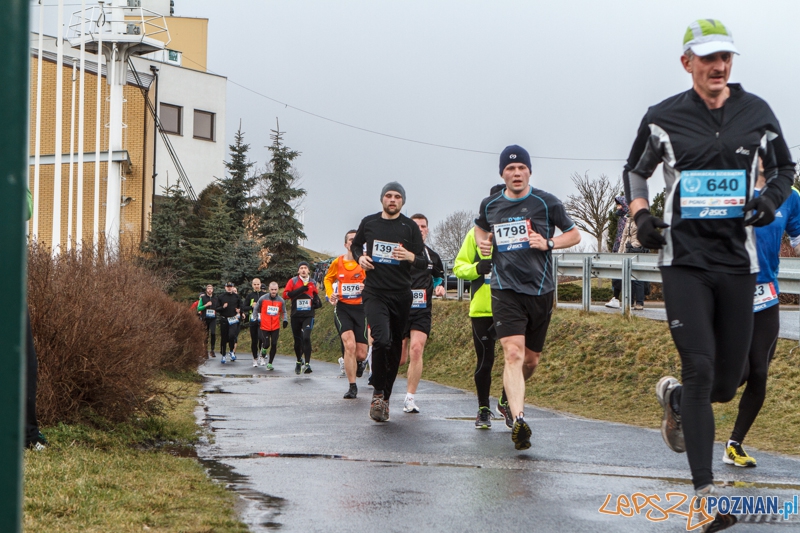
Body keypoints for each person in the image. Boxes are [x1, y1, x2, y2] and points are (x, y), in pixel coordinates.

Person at [623, 20, 795, 498]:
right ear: (687, 63)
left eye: (726, 57)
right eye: (708, 58)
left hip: (737, 264)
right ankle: (704, 492)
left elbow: (784, 167)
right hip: (684, 261)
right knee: (699, 366)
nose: (719, 65)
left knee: (726, 382)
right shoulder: (662, 117)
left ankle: (674, 398)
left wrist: (770, 200)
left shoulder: (756, 112)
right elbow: (635, 171)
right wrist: (640, 217)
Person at [475, 145, 581, 449]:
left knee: (531, 361)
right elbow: (481, 230)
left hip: (540, 290)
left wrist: (547, 242)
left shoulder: (546, 203)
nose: (516, 173)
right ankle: (519, 420)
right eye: (510, 169)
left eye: (521, 167)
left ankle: (508, 399)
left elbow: (574, 235)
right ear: (502, 174)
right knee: (512, 353)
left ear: (529, 171)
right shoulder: (491, 204)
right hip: (504, 289)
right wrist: (485, 245)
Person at [721, 176, 800, 468]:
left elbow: (798, 239)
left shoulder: (790, 195)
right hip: (731, 292)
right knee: (735, 374)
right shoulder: (730, 185)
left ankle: (734, 444)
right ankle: (681, 396)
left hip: (766, 294)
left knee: (759, 374)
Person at [351, 182, 427, 422]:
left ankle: (385, 398)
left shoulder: (409, 227)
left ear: (402, 201)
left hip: (401, 295)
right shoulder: (369, 222)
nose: (392, 200)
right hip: (375, 292)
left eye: (397, 197)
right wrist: (360, 257)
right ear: (382, 199)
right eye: (388, 196)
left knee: (395, 348)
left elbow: (424, 261)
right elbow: (355, 245)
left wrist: (410, 256)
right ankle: (378, 391)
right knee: (382, 340)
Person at [453, 184, 506, 429]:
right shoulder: (474, 234)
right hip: (482, 309)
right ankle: (483, 409)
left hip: (511, 307)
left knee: (516, 359)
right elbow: (458, 267)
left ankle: (506, 402)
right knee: (485, 361)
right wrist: (477, 269)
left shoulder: (516, 232)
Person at [399, 214, 445, 413]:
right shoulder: (399, 253)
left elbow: (438, 278)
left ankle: (410, 398)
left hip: (422, 310)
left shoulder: (432, 256)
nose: (420, 229)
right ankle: (381, 391)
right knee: (399, 359)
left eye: (423, 226)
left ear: (427, 230)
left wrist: (440, 287)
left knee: (416, 349)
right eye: (415, 226)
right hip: (400, 310)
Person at [324, 230, 369, 398]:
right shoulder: (338, 262)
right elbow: (328, 279)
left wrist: (367, 287)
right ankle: (352, 386)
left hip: (361, 309)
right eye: (351, 239)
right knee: (349, 344)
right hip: (343, 308)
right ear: (346, 244)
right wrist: (331, 294)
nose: (354, 242)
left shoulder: (365, 262)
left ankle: (359, 363)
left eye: (357, 239)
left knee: (361, 353)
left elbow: (374, 280)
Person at [283, 262, 322, 374]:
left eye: (305, 268)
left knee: (306, 337)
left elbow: (315, 295)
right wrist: (301, 289)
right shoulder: (293, 281)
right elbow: (286, 295)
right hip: (296, 315)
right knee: (298, 341)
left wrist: (316, 302)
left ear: (309, 271)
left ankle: (308, 364)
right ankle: (299, 361)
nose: (303, 270)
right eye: (301, 268)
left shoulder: (313, 282)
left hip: (308, 315)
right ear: (298, 271)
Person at [253, 281, 289, 370]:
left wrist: (285, 320)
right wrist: (255, 318)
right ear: (269, 289)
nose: (273, 291)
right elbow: (256, 308)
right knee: (267, 343)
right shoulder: (263, 298)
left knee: (274, 344)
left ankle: (270, 363)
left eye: (275, 290)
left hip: (275, 326)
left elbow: (284, 311)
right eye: (272, 289)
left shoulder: (281, 300)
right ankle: (264, 350)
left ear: (277, 290)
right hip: (264, 325)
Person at [618, 209, 647, 310]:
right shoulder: (628, 221)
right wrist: (620, 252)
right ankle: (629, 302)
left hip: (638, 251)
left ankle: (639, 302)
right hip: (628, 251)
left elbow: (642, 238)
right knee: (628, 278)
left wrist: (632, 246)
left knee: (638, 278)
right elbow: (624, 237)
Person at [605, 196, 628, 309]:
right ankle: (617, 298)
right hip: (619, 248)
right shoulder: (622, 218)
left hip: (622, 250)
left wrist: (619, 250)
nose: (617, 207)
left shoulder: (625, 219)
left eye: (619, 205)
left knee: (618, 275)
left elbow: (623, 237)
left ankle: (616, 298)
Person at [243, 278, 268, 366]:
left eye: (258, 284)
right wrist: (251, 306)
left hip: (263, 320)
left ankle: (262, 357)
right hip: (253, 320)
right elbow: (244, 307)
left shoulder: (265, 295)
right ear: (252, 285)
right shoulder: (250, 296)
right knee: (254, 340)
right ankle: (255, 358)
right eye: (255, 284)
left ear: (260, 284)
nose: (257, 286)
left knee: (262, 338)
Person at [217, 282, 242, 364]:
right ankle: (223, 355)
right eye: (228, 287)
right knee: (224, 338)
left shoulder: (236, 296)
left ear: (233, 287)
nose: (229, 288)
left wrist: (239, 310)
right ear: (225, 287)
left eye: (230, 287)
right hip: (224, 319)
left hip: (233, 319)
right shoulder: (221, 297)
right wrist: (222, 307)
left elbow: (241, 306)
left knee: (232, 336)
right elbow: (217, 308)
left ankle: (231, 351)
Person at [198, 285, 219, 358]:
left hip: (213, 318)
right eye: (208, 289)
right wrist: (206, 305)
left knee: (213, 333)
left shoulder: (215, 298)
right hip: (205, 318)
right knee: (205, 335)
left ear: (213, 290)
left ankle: (212, 350)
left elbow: (218, 307)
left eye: (211, 289)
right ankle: (205, 351)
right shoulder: (203, 298)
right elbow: (198, 308)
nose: (210, 290)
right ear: (206, 290)